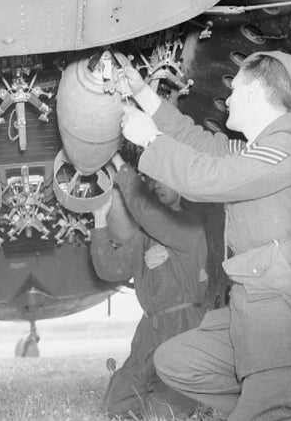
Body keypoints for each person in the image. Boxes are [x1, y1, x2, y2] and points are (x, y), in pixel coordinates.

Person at [120, 51, 291, 419]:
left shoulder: (286, 151)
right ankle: (264, 402)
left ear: (253, 93)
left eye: (234, 90)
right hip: (249, 313)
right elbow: (196, 141)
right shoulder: (257, 150)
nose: (228, 99)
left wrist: (151, 141)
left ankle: (274, 402)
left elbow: (209, 178)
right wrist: (143, 94)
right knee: (175, 360)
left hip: (279, 321)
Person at [91, 153, 208, 418]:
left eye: (165, 180)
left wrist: (119, 164)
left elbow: (150, 216)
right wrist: (99, 220)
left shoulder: (189, 225)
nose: (157, 185)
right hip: (150, 329)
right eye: (153, 180)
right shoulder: (144, 235)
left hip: (183, 325)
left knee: (163, 413)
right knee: (116, 405)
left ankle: (195, 399)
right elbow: (109, 270)